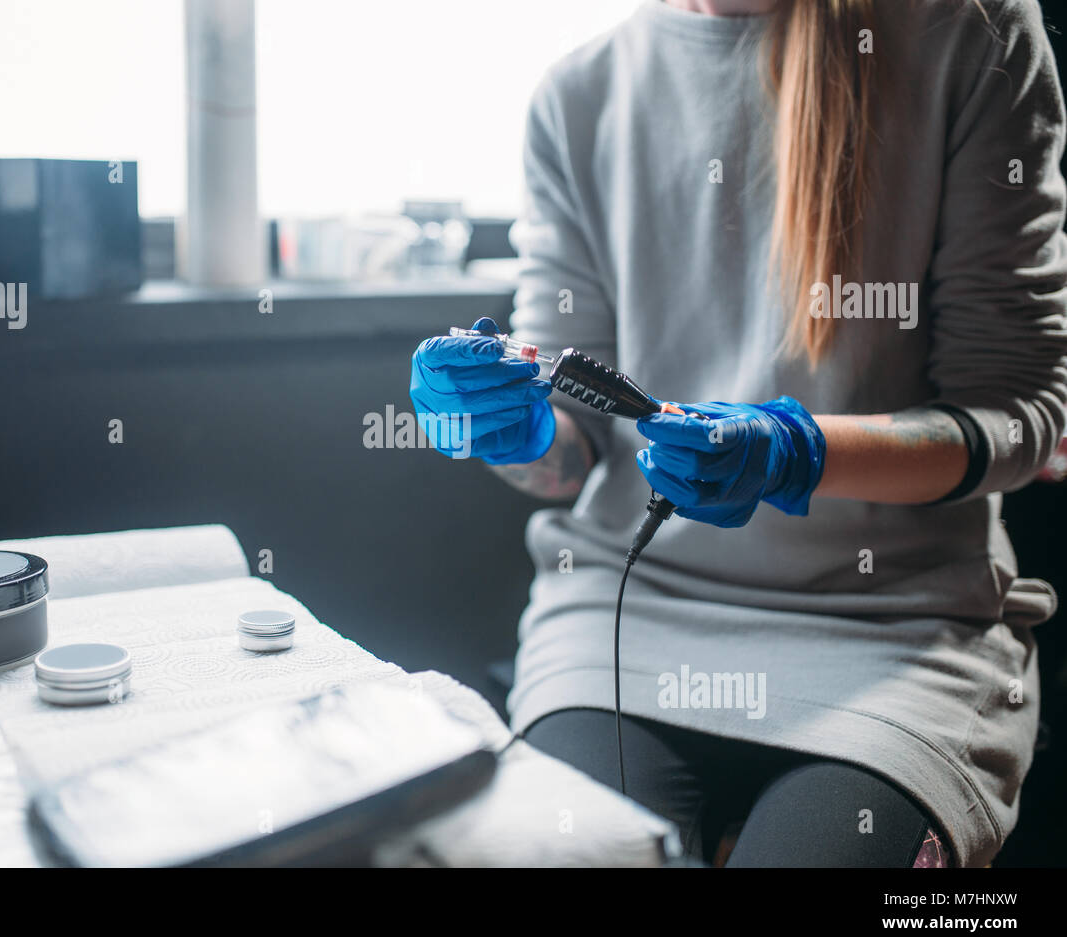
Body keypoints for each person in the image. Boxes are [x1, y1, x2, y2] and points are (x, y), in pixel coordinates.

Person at [410, 0, 1067, 867]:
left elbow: (1019, 416)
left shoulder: (969, 33)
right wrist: (514, 434)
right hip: (630, 615)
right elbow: (575, 457)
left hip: (897, 631)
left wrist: (805, 453)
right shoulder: (578, 93)